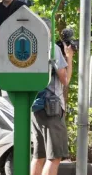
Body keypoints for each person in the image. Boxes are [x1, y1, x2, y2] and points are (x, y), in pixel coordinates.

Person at [29, 38, 73, 175]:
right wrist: (69, 57)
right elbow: (65, 79)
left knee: (39, 156)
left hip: (35, 105)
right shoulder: (52, 47)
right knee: (54, 157)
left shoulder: (31, 46)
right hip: (51, 108)